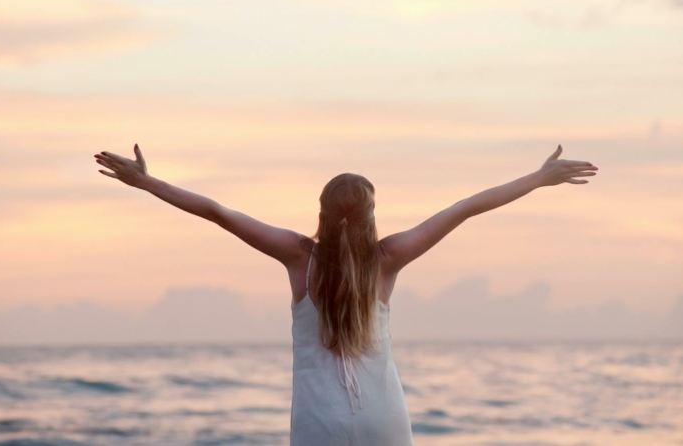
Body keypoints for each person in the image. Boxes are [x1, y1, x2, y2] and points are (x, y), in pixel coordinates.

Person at [93, 143, 598, 445]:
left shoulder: (298, 257)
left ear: (321, 209)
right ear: (371, 214)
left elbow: (218, 211)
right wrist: (538, 178)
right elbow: (466, 207)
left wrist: (147, 182)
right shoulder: (390, 257)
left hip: (319, 422)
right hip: (383, 416)